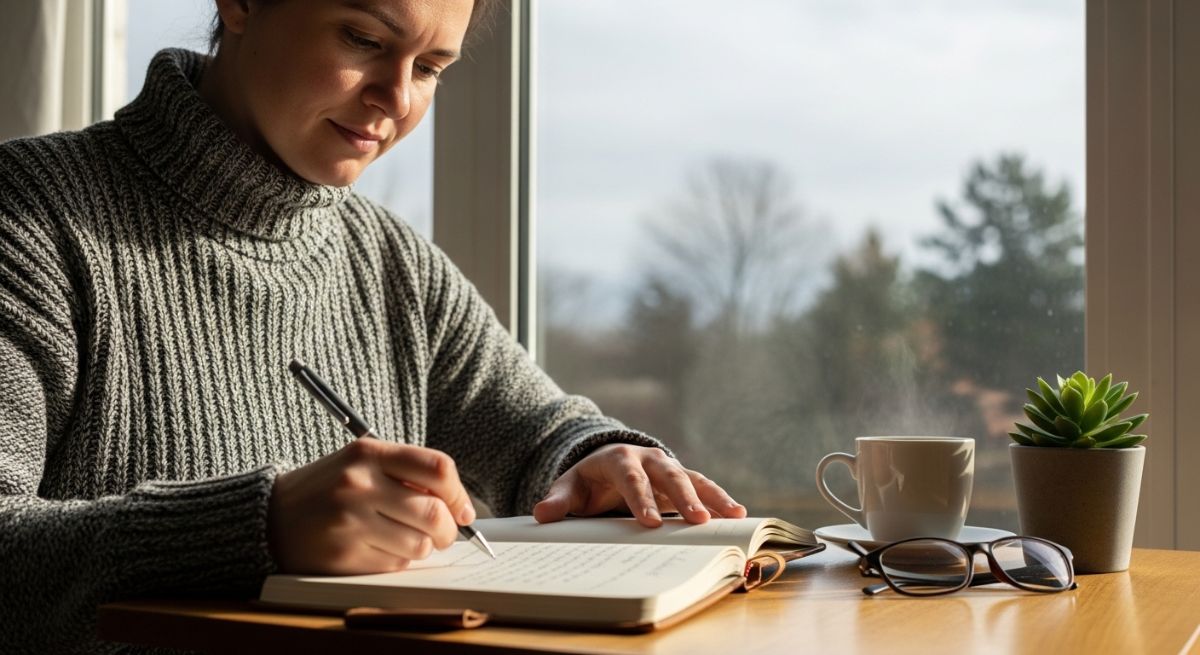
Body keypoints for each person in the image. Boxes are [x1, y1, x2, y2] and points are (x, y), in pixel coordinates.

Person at [0, 0, 747, 652]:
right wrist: (258, 528)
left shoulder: (390, 260)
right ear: (241, 2)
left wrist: (595, 456)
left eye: (430, 68)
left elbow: (540, 430)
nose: (396, 98)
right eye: (363, 39)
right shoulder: (30, 219)